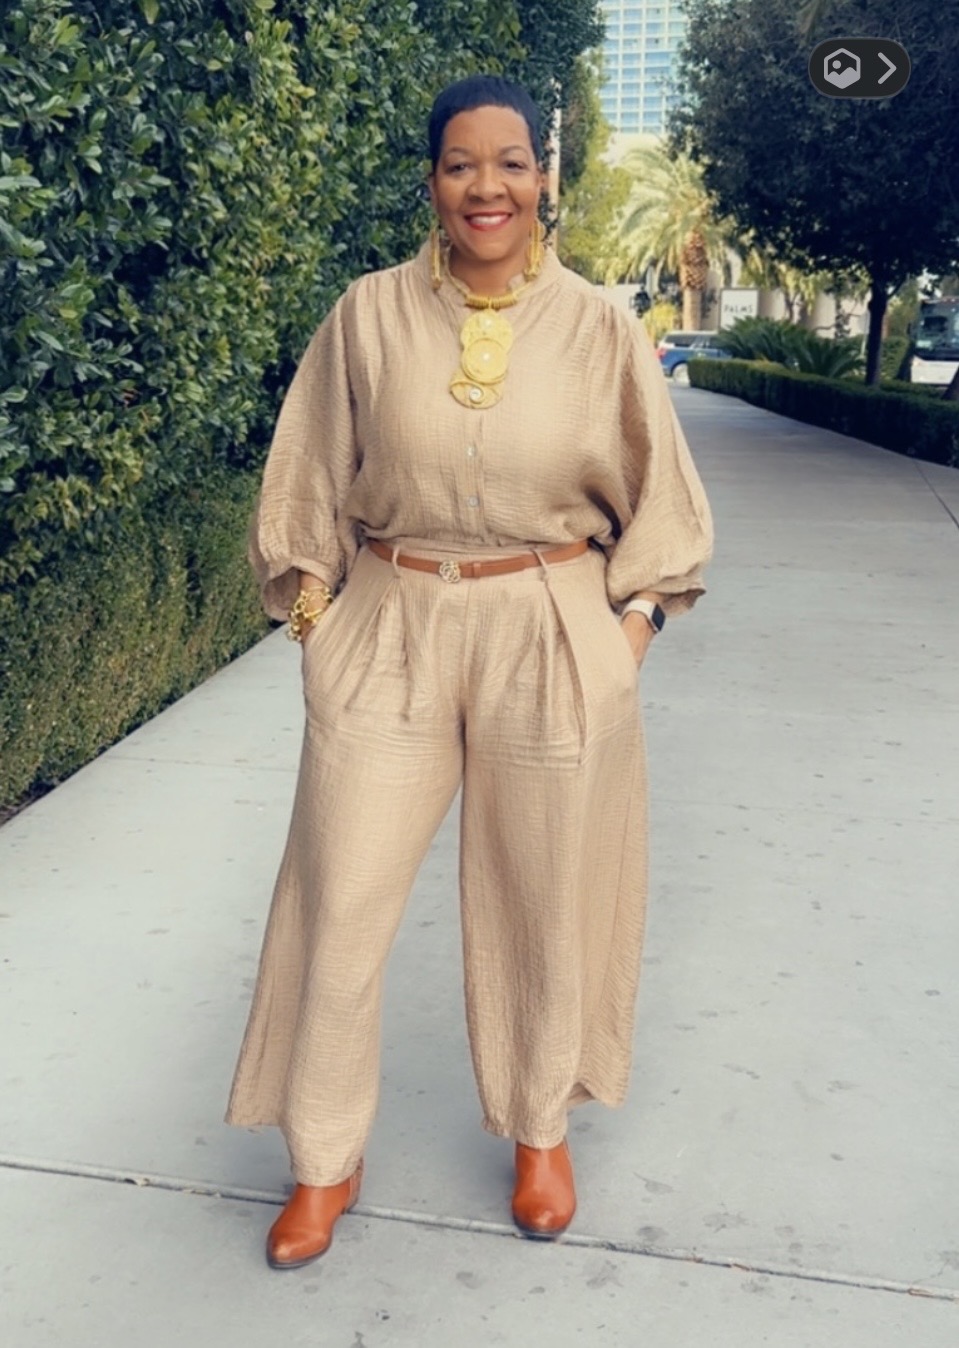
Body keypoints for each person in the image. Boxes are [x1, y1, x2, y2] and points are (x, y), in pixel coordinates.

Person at [225, 73, 713, 1269]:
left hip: (549, 621)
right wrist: (318, 631)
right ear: (431, 182)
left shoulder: (598, 325)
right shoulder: (367, 315)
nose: (484, 186)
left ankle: (541, 1130)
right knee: (339, 900)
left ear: (543, 176)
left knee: (546, 898)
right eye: (459, 164)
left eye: (508, 162)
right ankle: (321, 1155)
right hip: (389, 620)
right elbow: (305, 476)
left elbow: (663, 504)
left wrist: (625, 638)